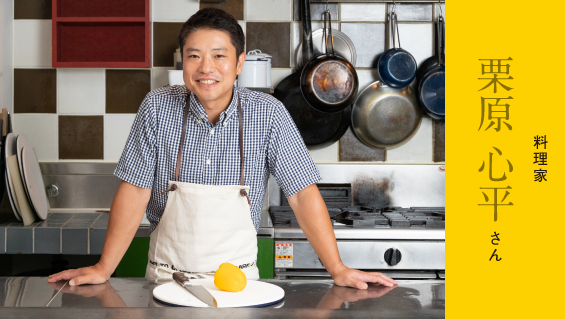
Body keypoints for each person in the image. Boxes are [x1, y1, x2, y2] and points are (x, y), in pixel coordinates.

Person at [48, 8, 396, 290]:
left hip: (239, 285)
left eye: (219, 56)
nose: (206, 68)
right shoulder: (157, 106)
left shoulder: (268, 112)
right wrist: (104, 267)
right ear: (182, 61)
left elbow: (302, 194)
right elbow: (135, 190)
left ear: (239, 63)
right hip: (167, 282)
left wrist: (336, 268)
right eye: (194, 56)